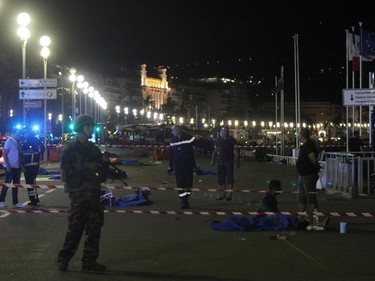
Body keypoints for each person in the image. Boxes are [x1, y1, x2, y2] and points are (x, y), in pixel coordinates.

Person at [57, 115, 109, 272]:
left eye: (91, 127)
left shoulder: (93, 149)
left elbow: (102, 170)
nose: (91, 129)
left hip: (93, 194)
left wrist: (104, 165)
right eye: (88, 127)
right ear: (81, 128)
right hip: (79, 195)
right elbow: (65, 173)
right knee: (75, 228)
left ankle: (89, 261)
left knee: (94, 229)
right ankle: (64, 258)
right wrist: (86, 167)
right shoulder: (70, 149)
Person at [168, 124, 197, 209]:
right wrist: (170, 166)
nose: (172, 133)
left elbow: (198, 143)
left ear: (178, 130)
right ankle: (184, 201)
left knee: (188, 182)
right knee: (180, 183)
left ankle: (187, 195)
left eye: (173, 131)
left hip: (188, 164)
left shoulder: (189, 138)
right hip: (178, 165)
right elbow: (171, 155)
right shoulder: (172, 141)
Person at [296, 128, 321, 223]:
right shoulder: (306, 145)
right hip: (303, 174)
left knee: (310, 196)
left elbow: (312, 158)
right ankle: (301, 217)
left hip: (308, 174)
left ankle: (311, 218)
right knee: (301, 196)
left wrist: (316, 167)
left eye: (298, 134)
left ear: (302, 135)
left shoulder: (308, 145)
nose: (297, 136)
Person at [211, 126, 240, 201]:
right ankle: (222, 195)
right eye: (223, 131)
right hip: (220, 161)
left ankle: (229, 195)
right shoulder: (219, 140)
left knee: (230, 178)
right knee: (221, 179)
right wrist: (212, 160)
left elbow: (236, 151)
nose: (224, 132)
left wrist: (237, 161)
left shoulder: (232, 140)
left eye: (226, 131)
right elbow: (215, 150)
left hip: (229, 162)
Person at [19, 128, 45, 206]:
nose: (24, 135)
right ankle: (35, 198)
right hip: (35, 166)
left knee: (29, 184)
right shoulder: (37, 141)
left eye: (26, 133)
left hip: (28, 167)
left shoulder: (25, 143)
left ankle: (33, 200)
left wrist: (22, 166)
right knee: (33, 183)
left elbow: (21, 155)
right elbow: (42, 148)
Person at [0, 128, 24, 208]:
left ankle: (15, 202)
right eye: (17, 133)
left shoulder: (17, 142)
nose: (19, 135)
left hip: (17, 167)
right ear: (13, 133)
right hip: (10, 167)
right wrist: (8, 166)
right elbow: (5, 154)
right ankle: (1, 201)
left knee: (16, 185)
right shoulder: (9, 142)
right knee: (7, 184)